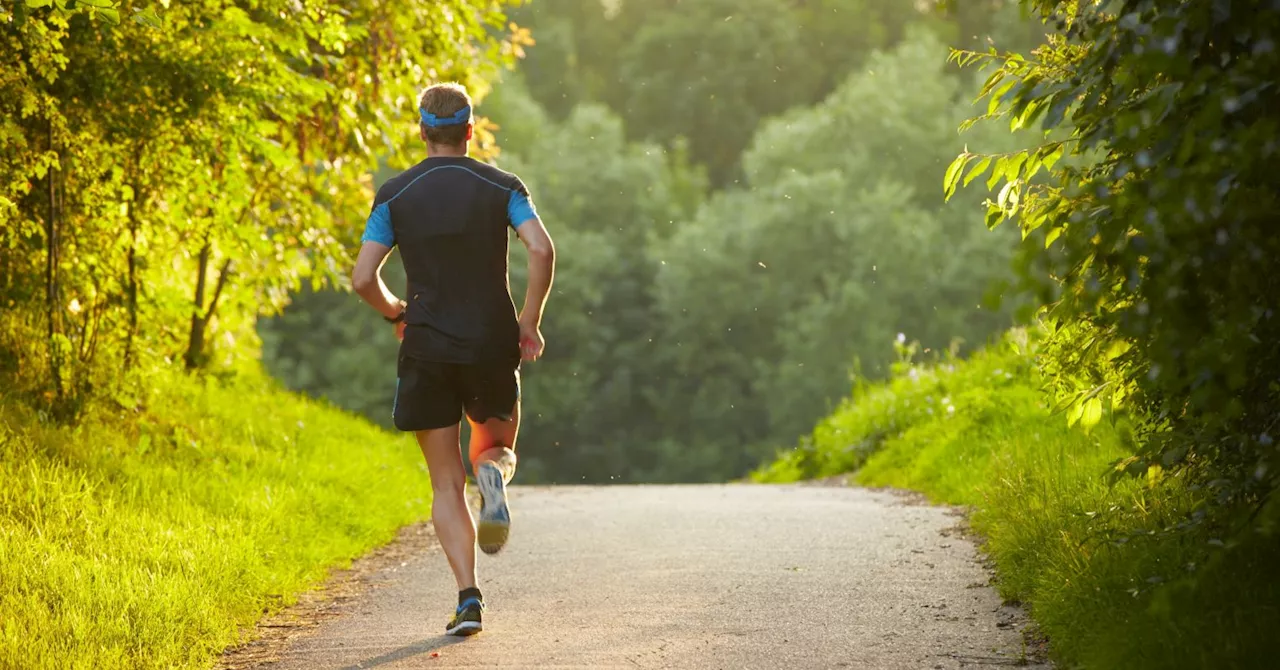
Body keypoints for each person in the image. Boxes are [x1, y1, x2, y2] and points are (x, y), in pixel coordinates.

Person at [350, 82, 555, 637]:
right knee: (495, 447)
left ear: (422, 130)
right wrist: (528, 323)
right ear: (469, 130)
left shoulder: (395, 194)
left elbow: (363, 278)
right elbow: (541, 248)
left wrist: (397, 313)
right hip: (491, 342)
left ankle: (468, 599)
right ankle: (493, 476)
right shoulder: (502, 186)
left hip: (427, 349)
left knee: (445, 483)